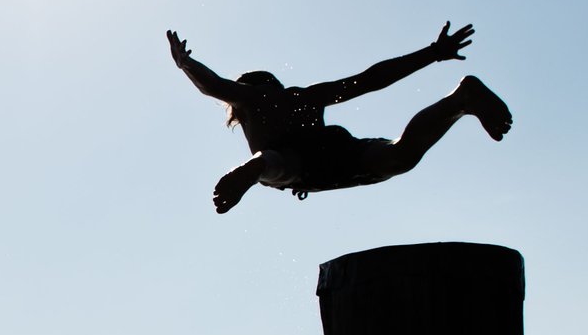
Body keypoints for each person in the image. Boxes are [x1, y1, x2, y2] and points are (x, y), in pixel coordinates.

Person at [167, 23, 512, 213]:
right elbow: (370, 80)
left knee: (272, 165)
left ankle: (252, 168)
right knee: (400, 155)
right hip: (334, 151)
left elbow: (212, 85)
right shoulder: (302, 97)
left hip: (297, 164)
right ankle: (460, 100)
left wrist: (186, 65)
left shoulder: (250, 100)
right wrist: (432, 54)